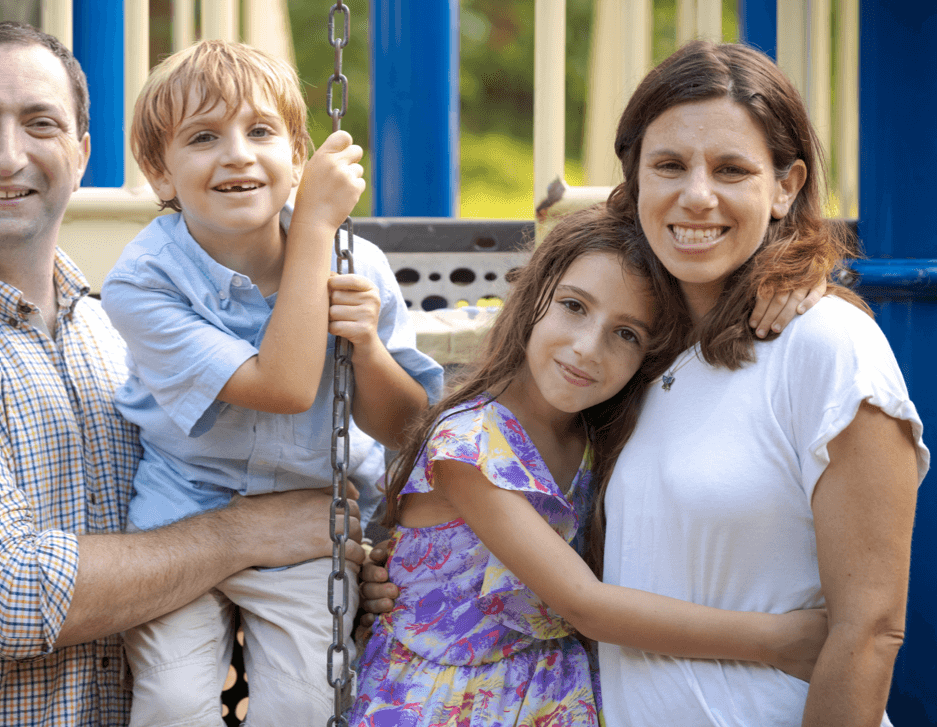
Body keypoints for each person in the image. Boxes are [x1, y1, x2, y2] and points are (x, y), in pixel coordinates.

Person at [0, 22, 363, 727]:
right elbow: (13, 599)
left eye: (40, 124)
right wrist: (249, 534)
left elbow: (189, 520)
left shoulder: (106, 334)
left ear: (81, 154)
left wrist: (337, 555)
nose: (8, 156)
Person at [362, 40, 928, 727]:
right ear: (634, 183)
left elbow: (868, 633)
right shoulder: (638, 365)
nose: (697, 195)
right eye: (669, 165)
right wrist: (416, 572)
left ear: (785, 185)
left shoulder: (825, 343)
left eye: (731, 169)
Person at [350, 204, 831, 726]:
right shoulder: (468, 444)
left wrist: (801, 275)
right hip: (446, 701)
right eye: (574, 307)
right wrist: (779, 641)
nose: (586, 348)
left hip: (562, 692)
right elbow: (583, 604)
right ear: (534, 295)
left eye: (627, 334)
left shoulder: (604, 437)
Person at [99, 40, 443, 726]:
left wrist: (367, 348)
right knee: (170, 703)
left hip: (312, 519)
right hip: (183, 514)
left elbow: (410, 430)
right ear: (159, 172)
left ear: (297, 160)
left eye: (260, 132)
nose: (236, 154)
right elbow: (281, 387)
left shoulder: (360, 265)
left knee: (305, 705)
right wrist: (315, 224)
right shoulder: (142, 282)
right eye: (203, 137)